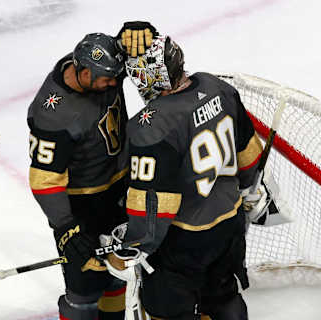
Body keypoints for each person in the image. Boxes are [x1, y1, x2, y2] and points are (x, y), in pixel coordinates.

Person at [105, 22, 266, 320]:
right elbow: (249, 154)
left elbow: (153, 205)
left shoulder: (151, 125)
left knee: (166, 311)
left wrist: (131, 247)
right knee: (223, 295)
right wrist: (251, 192)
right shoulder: (217, 86)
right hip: (230, 224)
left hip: (184, 241)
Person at [27, 33, 129, 320]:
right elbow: (44, 180)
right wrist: (67, 227)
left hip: (120, 189)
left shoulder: (102, 72)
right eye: (107, 80)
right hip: (84, 205)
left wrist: (136, 32)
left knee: (118, 276)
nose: (114, 84)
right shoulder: (54, 115)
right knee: (84, 291)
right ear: (84, 73)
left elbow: (140, 59)